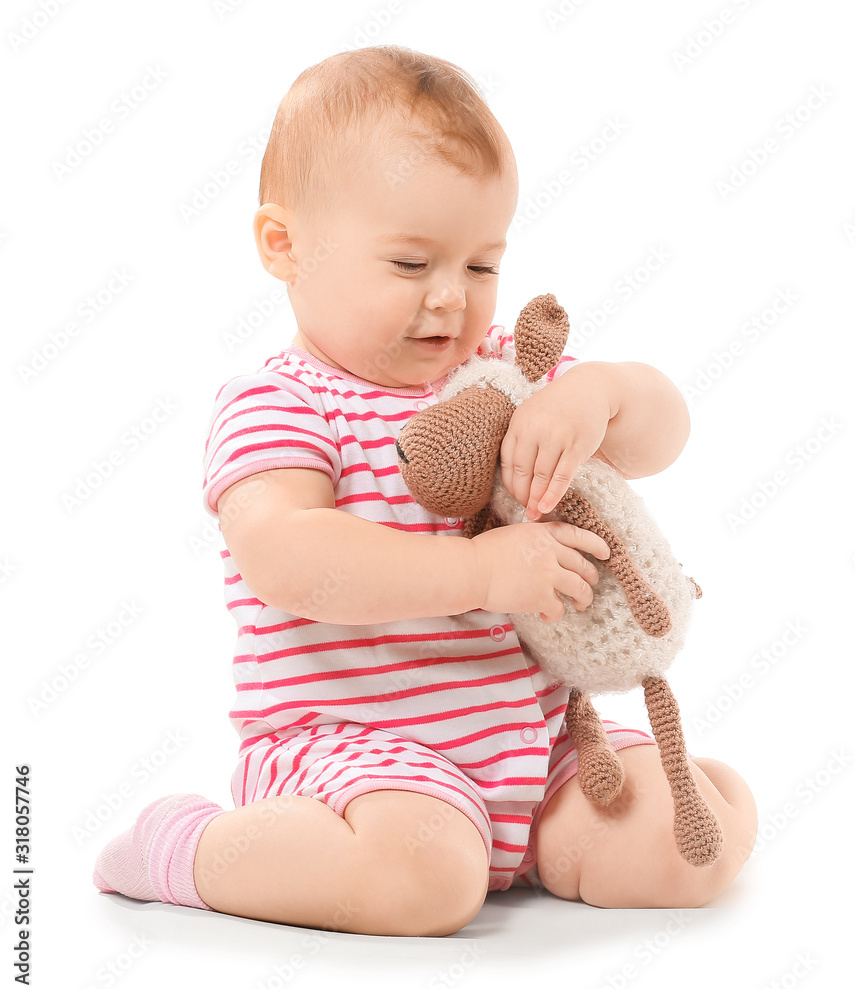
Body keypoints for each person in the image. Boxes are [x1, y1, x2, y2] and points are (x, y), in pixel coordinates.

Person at [92, 44, 757, 938]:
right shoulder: (282, 403)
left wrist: (594, 399)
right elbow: (287, 558)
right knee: (427, 880)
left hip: (540, 747)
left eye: (481, 267)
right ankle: (190, 848)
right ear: (283, 247)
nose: (451, 300)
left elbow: (664, 431)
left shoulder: (502, 377)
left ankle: (540, 840)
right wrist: (481, 575)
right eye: (411, 266)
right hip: (355, 753)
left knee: (692, 846)